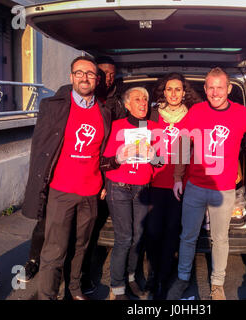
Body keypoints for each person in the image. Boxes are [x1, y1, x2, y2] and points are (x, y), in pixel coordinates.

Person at [22, 55, 111, 300]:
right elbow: (40, 147)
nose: (85, 78)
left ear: (96, 79)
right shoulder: (54, 106)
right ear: (71, 77)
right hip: (61, 191)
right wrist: (38, 184)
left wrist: (104, 180)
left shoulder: (104, 111)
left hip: (91, 193)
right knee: (54, 250)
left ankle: (74, 289)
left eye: (90, 74)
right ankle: (47, 296)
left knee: (81, 247)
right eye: (80, 73)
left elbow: (103, 151)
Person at [166, 67, 246, 300]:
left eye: (220, 87)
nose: (216, 92)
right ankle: (183, 277)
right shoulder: (196, 111)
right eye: (211, 87)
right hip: (195, 186)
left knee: (220, 238)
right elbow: (183, 144)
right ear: (205, 89)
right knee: (188, 236)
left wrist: (245, 172)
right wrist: (177, 177)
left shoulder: (241, 113)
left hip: (223, 189)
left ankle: (217, 283)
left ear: (228, 89)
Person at [101, 87, 161, 300]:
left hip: (142, 188)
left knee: (138, 238)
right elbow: (104, 162)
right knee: (124, 238)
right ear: (127, 105)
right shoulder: (116, 126)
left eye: (145, 99)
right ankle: (117, 288)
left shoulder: (154, 128)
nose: (143, 103)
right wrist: (118, 157)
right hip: (119, 187)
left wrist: (153, 156)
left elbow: (161, 162)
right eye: (137, 99)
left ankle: (132, 277)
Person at [145, 73, 202, 299]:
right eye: (169, 89)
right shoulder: (151, 114)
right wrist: (154, 161)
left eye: (178, 89)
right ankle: (152, 274)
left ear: (184, 92)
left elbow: (187, 150)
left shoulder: (191, 117)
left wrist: (178, 177)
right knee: (152, 232)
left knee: (171, 233)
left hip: (179, 185)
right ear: (164, 91)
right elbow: (142, 145)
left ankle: (163, 278)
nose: (174, 94)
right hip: (153, 182)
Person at [95, 55, 127, 120]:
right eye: (105, 73)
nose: (109, 78)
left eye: (112, 74)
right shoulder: (86, 97)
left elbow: (122, 123)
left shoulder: (118, 100)